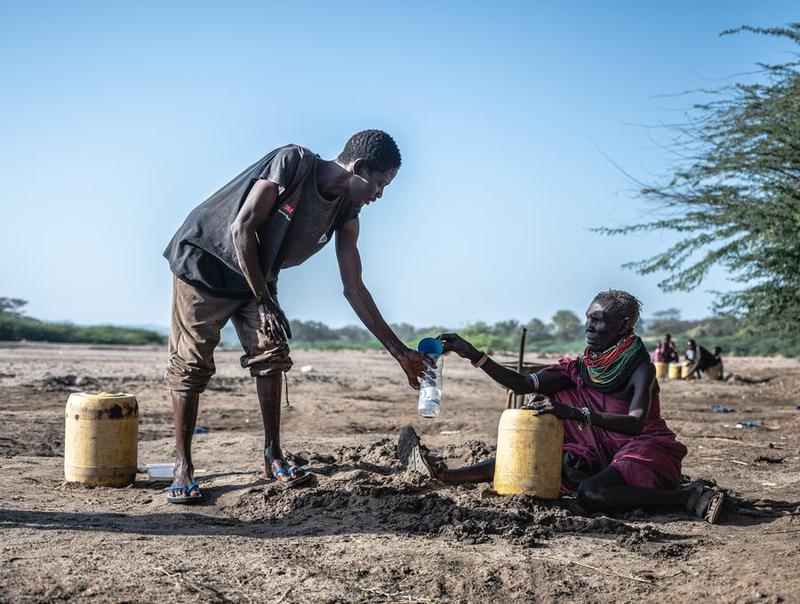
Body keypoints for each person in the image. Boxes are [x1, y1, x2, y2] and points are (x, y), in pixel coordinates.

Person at [162, 130, 430, 502]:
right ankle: (183, 467)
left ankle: (272, 456)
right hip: (206, 265)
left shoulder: (347, 208)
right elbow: (241, 229)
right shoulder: (292, 162)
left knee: (271, 354)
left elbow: (354, 288)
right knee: (191, 365)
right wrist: (266, 300)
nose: (380, 195)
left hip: (257, 275)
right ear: (360, 167)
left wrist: (400, 352)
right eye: (380, 184)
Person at [397, 289, 725, 523]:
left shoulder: (640, 367)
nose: (589, 328)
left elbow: (636, 423)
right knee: (530, 452)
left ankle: (687, 497)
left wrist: (576, 414)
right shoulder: (579, 368)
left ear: (623, 326)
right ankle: (446, 476)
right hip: (597, 453)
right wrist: (473, 354)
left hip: (643, 451)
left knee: (590, 495)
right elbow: (523, 384)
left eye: (599, 322)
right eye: (588, 320)